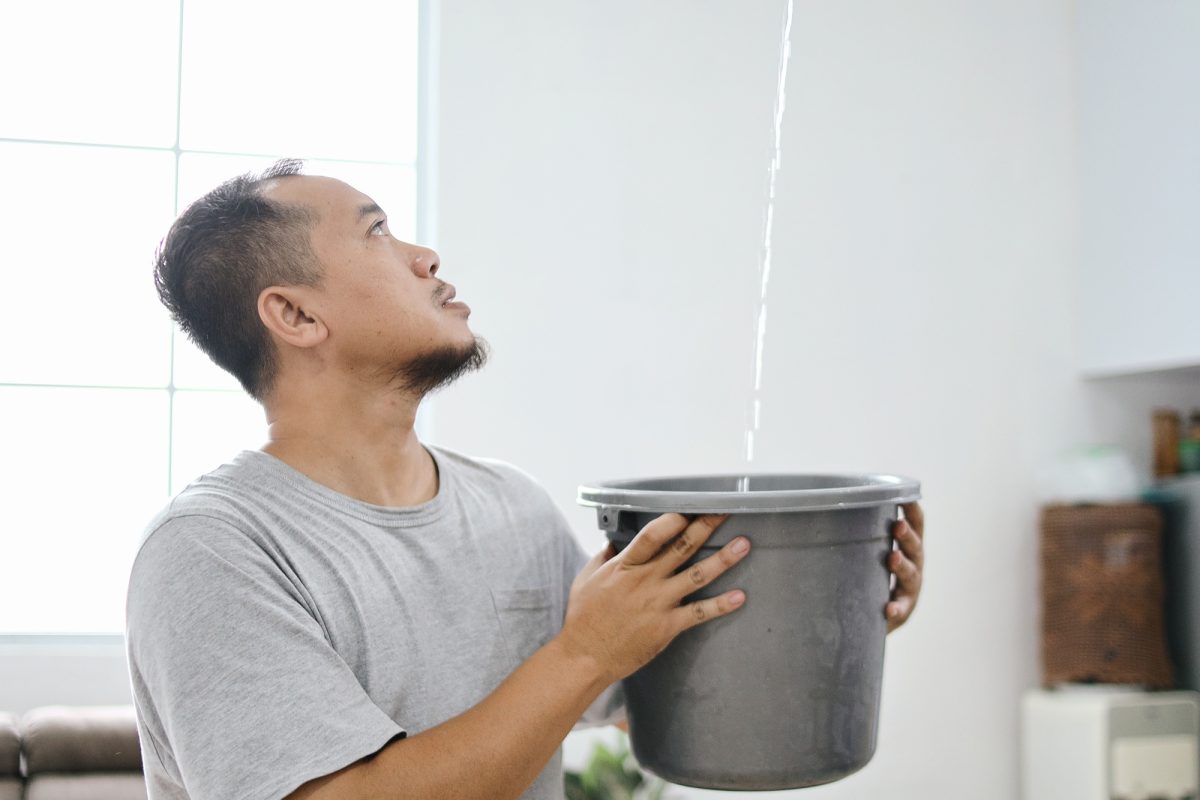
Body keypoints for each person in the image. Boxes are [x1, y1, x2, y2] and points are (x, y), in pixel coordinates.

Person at [126, 159, 925, 800]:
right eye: (378, 235)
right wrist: (581, 653)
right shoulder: (212, 551)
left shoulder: (510, 506)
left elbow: (642, 685)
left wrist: (832, 615)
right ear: (295, 316)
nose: (424, 256)